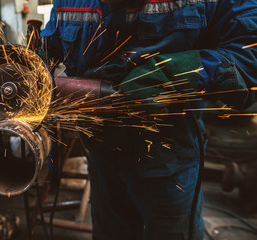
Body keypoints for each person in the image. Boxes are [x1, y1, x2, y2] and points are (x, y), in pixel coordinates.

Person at [40, 0, 257, 239]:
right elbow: (51, 45)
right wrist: (34, 61)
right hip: (103, 158)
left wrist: (178, 73)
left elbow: (249, 51)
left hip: (169, 163)